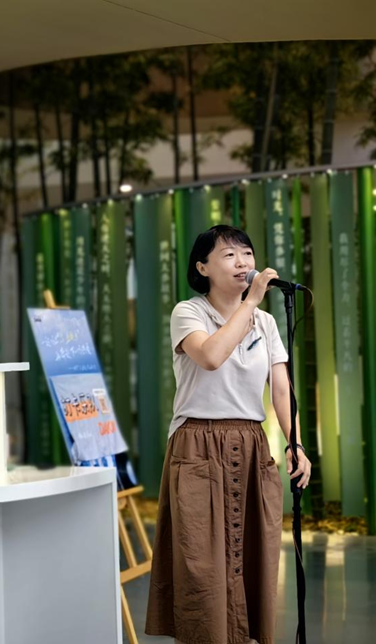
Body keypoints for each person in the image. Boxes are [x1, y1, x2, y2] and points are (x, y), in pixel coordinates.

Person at [144, 225, 312, 644]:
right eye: (229, 255)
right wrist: (250, 301)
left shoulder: (267, 323)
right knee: (200, 562)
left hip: (250, 443)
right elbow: (211, 356)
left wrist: (295, 443)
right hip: (198, 443)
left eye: (247, 254)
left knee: (253, 554)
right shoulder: (188, 312)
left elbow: (280, 390)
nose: (243, 262)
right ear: (202, 267)